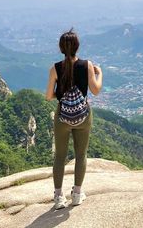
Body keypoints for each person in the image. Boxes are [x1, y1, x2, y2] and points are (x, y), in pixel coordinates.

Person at [45, 29, 103, 210]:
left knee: (60, 157)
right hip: (83, 117)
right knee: (81, 155)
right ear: (77, 46)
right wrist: (99, 73)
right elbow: (95, 90)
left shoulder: (55, 68)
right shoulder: (87, 65)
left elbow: (48, 96)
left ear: (61, 48)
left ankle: (58, 198)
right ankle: (77, 194)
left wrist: (61, 95)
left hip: (62, 117)